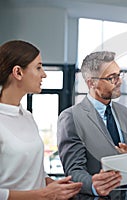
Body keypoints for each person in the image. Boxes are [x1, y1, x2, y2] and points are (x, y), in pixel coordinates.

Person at [0, 40, 82, 200]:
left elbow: (35, 174)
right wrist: (40, 195)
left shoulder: (27, 116)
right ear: (18, 72)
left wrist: (63, 187)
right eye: (38, 67)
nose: (44, 74)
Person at [57, 51, 127, 196]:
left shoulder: (124, 113)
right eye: (112, 78)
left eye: (119, 75)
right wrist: (94, 185)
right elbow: (74, 171)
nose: (119, 81)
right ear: (91, 83)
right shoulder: (71, 117)